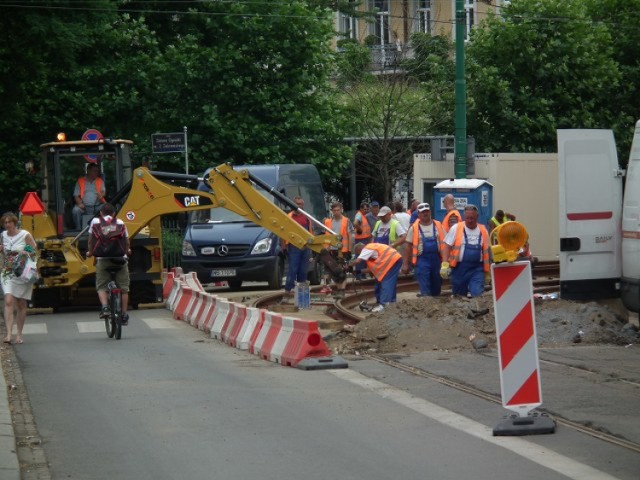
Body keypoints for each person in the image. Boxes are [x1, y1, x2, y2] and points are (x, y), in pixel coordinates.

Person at [87, 203, 131, 324]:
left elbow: (91, 240)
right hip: (120, 259)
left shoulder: (95, 222)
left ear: (101, 213)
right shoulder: (120, 222)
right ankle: (124, 315)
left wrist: (91, 253)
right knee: (124, 289)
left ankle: (105, 307)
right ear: (113, 213)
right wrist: (127, 252)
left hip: (102, 259)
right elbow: (126, 242)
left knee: (101, 286)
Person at [1, 212, 38, 344]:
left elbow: (34, 250)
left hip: (22, 271)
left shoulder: (24, 234)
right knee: (9, 300)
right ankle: (9, 334)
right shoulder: (3, 236)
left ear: (14, 223)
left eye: (9, 222)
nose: (7, 225)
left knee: (21, 303)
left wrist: (25, 251)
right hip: (8, 272)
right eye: (5, 223)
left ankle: (19, 334)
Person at [440, 204, 490, 298]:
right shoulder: (456, 228)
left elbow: (487, 251)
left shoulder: (483, 230)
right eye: (467, 218)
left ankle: (477, 311)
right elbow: (447, 246)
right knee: (459, 296)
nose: (470, 220)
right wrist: (445, 264)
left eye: (472, 218)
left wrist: (487, 271)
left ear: (477, 217)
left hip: (476, 269)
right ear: (464, 217)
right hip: (459, 269)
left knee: (477, 293)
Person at [401, 203, 445, 297]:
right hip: (422, 260)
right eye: (422, 212)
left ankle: (436, 304)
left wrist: (446, 262)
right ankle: (426, 303)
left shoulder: (438, 225)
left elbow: (446, 244)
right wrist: (405, 264)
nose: (425, 214)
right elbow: (407, 245)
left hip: (437, 260)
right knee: (425, 286)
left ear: (430, 212)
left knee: (437, 285)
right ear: (418, 214)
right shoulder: (414, 228)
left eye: (427, 211)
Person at [349, 242, 402, 312]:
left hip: (391, 261)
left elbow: (358, 261)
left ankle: (384, 305)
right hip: (394, 259)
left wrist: (349, 266)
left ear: (359, 250)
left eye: (358, 253)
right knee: (388, 283)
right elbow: (369, 269)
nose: (359, 255)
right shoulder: (372, 249)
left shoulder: (367, 248)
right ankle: (391, 303)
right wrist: (358, 271)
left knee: (386, 283)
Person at [322, 202, 354, 295]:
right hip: (330, 250)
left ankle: (342, 290)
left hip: (342, 250)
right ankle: (339, 289)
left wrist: (349, 250)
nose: (336, 212)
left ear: (341, 210)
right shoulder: (327, 222)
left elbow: (350, 235)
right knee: (333, 272)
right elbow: (325, 236)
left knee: (342, 271)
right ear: (332, 211)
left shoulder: (346, 221)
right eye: (334, 210)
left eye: (338, 210)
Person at [284, 196, 313, 295]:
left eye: (300, 204)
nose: (298, 206)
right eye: (296, 203)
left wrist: (310, 250)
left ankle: (302, 293)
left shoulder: (307, 218)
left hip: (305, 247)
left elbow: (310, 233)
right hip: (293, 246)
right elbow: (283, 233)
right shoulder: (289, 217)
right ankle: (288, 290)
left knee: (303, 270)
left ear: (303, 205)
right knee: (293, 269)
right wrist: (284, 247)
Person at [72, 162, 106, 229]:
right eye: (94, 171)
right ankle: (78, 229)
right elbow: (76, 195)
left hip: (97, 206)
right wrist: (80, 203)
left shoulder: (100, 181)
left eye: (97, 171)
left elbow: (103, 192)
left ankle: (104, 228)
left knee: (106, 208)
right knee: (75, 210)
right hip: (84, 207)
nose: (97, 173)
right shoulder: (80, 181)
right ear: (88, 171)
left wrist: (101, 195)